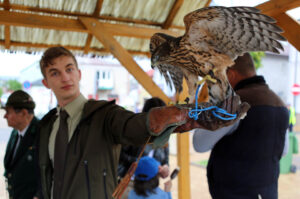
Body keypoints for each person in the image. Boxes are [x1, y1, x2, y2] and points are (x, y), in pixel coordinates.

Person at [37, 46, 246, 199]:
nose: (65, 77)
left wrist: (182, 115)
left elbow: (135, 125)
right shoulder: (47, 126)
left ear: (79, 73)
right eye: (55, 73)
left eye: (69, 69)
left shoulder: (104, 114)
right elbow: (48, 174)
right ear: (46, 83)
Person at [193, 53, 289, 199]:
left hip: (233, 192)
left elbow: (199, 143)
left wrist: (213, 105)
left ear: (230, 74)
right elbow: (283, 151)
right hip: (267, 193)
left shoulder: (234, 103)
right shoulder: (279, 103)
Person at [2, 90, 40, 199]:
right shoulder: (16, 132)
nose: (5, 116)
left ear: (24, 113)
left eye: (8, 112)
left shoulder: (41, 133)